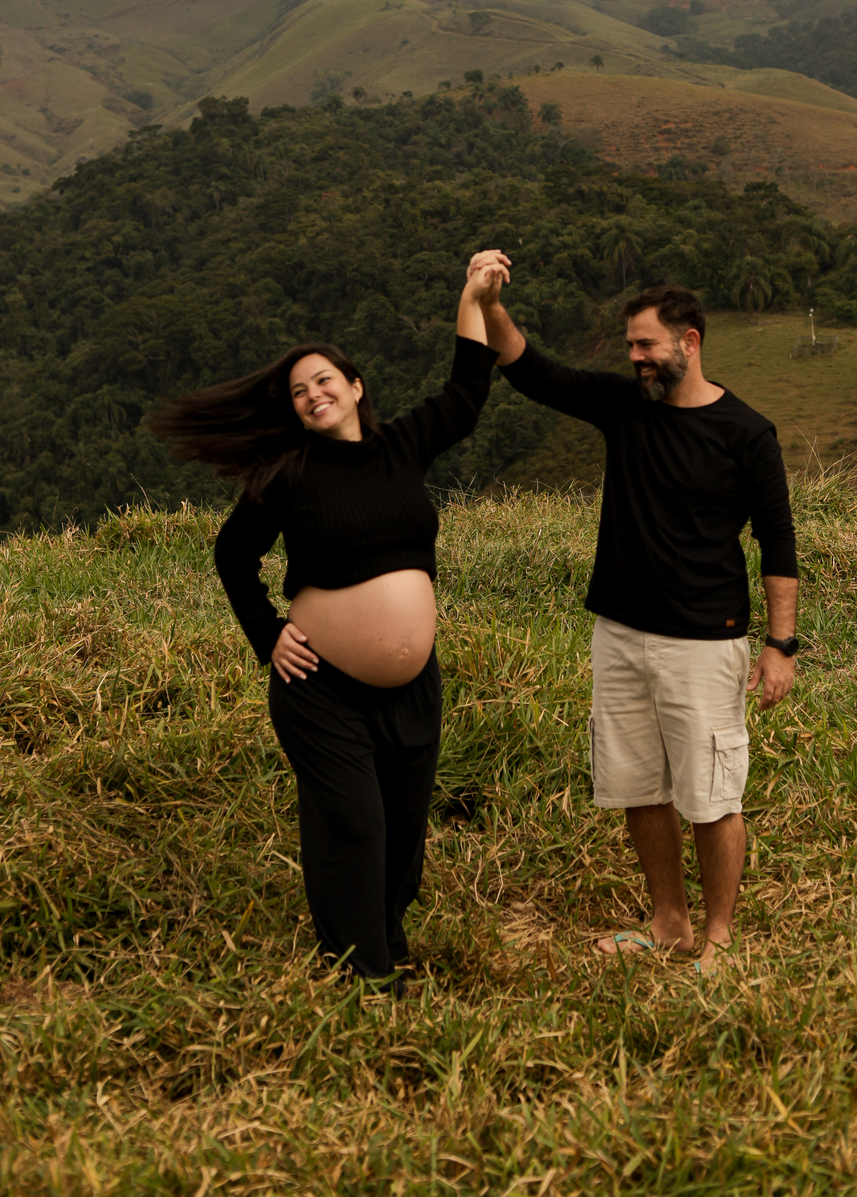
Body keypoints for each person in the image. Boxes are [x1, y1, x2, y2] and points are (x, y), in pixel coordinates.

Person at [147, 257, 503, 989]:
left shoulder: (402, 445)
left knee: (402, 825)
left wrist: (472, 298)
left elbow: (467, 390)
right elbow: (233, 555)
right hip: (322, 688)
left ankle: (387, 940)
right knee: (354, 824)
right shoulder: (289, 474)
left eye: (324, 381)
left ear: (356, 387)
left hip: (413, 688)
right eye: (299, 391)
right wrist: (266, 635)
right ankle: (363, 972)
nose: (314, 395)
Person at [473, 263, 798, 967]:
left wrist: (781, 644)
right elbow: (530, 370)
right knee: (639, 786)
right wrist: (489, 303)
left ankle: (718, 939)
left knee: (711, 796)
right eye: (629, 346)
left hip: (703, 641)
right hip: (619, 633)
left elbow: (778, 541)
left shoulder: (746, 432)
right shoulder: (626, 406)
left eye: (645, 344)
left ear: (689, 341)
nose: (635, 357)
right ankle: (669, 923)